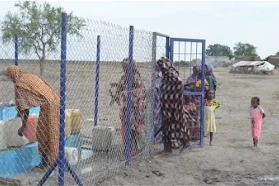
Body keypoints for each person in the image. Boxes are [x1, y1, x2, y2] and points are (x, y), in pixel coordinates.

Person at [6, 65, 60, 170]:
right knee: (52, 132)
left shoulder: (19, 84)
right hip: (55, 101)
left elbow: (24, 110)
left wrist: (21, 128)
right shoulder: (29, 75)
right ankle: (53, 160)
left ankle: (45, 163)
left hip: (47, 106)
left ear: (12, 75)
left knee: (42, 134)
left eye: (9, 77)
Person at [157, 57, 194, 153]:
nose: (159, 68)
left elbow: (179, 82)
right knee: (169, 126)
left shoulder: (170, 73)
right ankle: (169, 148)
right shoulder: (165, 75)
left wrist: (175, 96)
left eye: (160, 66)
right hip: (167, 106)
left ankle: (185, 142)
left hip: (173, 106)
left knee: (176, 125)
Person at [109, 59, 146, 153]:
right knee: (126, 125)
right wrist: (117, 90)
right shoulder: (123, 77)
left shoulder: (136, 78)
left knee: (134, 126)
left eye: (126, 67)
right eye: (123, 67)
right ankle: (128, 147)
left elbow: (139, 93)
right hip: (125, 108)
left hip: (135, 108)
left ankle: (138, 146)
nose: (124, 68)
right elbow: (120, 88)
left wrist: (125, 95)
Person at [152, 65, 163, 142]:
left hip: (160, 98)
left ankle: (159, 136)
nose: (156, 67)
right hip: (155, 99)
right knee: (155, 117)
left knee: (160, 118)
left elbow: (158, 87)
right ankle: (155, 135)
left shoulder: (162, 76)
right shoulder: (155, 75)